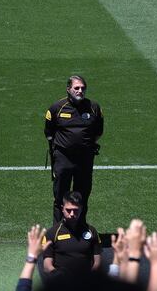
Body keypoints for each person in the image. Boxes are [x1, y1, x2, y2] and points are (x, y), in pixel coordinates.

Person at [45, 75, 103, 223]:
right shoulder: (57, 108)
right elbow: (49, 132)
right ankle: (58, 231)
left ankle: (80, 229)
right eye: (76, 88)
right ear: (68, 89)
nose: (80, 91)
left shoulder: (94, 107)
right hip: (63, 159)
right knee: (60, 197)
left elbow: (98, 132)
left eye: (83, 88)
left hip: (84, 159)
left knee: (82, 195)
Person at [41, 191, 101, 282]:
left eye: (76, 210)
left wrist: (89, 277)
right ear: (62, 209)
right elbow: (47, 266)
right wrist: (62, 277)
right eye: (68, 210)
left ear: (81, 209)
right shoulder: (52, 233)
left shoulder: (91, 231)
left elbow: (97, 261)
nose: (72, 214)